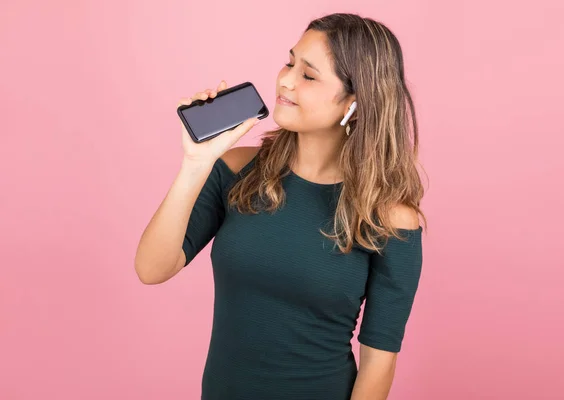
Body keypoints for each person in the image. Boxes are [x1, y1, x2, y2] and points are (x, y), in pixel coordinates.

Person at [135, 12, 426, 400]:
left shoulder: (391, 220)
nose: (285, 79)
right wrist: (195, 164)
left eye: (308, 75)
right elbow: (152, 268)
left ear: (354, 102)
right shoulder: (238, 170)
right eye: (290, 61)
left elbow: (379, 362)